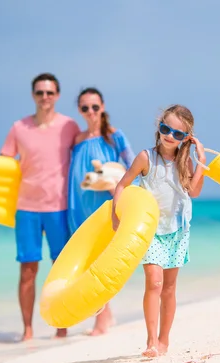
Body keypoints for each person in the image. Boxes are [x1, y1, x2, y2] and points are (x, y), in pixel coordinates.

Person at [111, 104, 206, 357]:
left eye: (177, 133)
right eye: (166, 129)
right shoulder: (146, 158)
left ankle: (164, 341)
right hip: (151, 229)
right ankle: (151, 342)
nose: (169, 136)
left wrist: (201, 163)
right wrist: (116, 213)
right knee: (154, 282)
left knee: (169, 288)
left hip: (177, 229)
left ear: (186, 138)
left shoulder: (184, 162)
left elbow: (194, 192)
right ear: (159, 127)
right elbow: (121, 186)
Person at [0, 73, 81, 341]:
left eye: (49, 92)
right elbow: (3, 163)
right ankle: (28, 330)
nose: (44, 97)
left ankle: (61, 326)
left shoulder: (69, 126)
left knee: (60, 268)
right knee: (28, 270)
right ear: (33, 95)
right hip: (27, 208)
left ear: (57, 96)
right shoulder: (19, 127)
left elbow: (88, 146)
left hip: (58, 208)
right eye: (39, 92)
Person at [67, 87, 136, 336]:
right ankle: (106, 315)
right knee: (86, 263)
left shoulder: (114, 136)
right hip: (78, 205)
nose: (91, 112)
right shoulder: (77, 139)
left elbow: (132, 167)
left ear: (103, 107)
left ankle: (101, 321)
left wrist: (118, 191)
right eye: (85, 108)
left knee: (100, 263)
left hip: (103, 207)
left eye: (95, 107)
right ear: (79, 110)